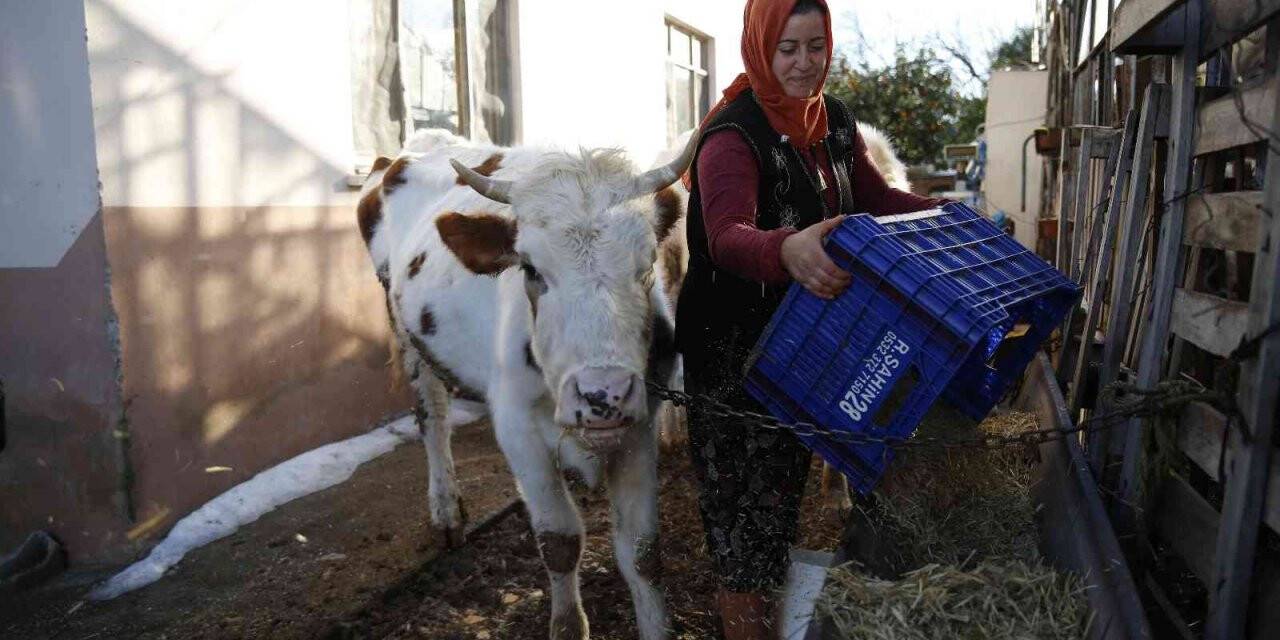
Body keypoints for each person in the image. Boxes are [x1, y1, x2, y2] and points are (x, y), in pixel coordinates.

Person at [674, 1, 946, 637]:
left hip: (799, 344)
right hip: (732, 357)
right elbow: (725, 235)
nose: (802, 64)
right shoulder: (732, 137)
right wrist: (786, 248)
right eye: (787, 49)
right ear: (760, 49)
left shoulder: (834, 124)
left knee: (779, 496)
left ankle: (766, 612)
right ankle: (743, 621)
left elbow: (878, 202)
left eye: (815, 46)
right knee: (742, 525)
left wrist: (942, 215)